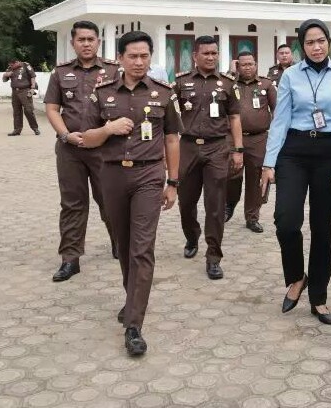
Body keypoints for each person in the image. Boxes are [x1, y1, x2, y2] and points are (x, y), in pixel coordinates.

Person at [81, 31, 181, 356]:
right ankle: (132, 298)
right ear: (121, 58)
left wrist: (173, 182)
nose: (139, 62)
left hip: (149, 175)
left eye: (144, 56)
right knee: (124, 246)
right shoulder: (103, 94)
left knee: (142, 248)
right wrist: (108, 129)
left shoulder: (163, 93)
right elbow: (86, 138)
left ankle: (134, 324)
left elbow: (172, 139)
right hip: (112, 175)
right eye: (133, 56)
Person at [260, 19, 331, 326]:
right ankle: (296, 276)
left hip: (329, 153)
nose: (317, 47)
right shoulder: (290, 75)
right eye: (310, 42)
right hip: (293, 151)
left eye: (321, 41)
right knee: (286, 220)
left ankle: (318, 297)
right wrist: (268, 163)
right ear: (301, 46)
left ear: (329, 42)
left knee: (322, 227)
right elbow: (280, 120)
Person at [43, 20, 122, 282]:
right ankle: (70, 258)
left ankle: (119, 242)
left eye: (91, 39)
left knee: (109, 200)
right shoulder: (60, 73)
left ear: (98, 42)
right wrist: (65, 134)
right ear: (73, 43)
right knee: (72, 204)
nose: (86, 44)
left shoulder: (114, 71)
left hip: (105, 149)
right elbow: (52, 108)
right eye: (81, 40)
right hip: (71, 149)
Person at [173, 36, 244, 280]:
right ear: (195, 56)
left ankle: (213, 257)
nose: (211, 57)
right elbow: (171, 118)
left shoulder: (228, 84)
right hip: (188, 147)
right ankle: (192, 236)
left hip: (217, 148)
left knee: (215, 206)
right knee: (186, 202)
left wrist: (238, 150)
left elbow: (234, 118)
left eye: (214, 53)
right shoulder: (180, 82)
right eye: (206, 53)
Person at [225, 51, 277, 232]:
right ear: (237, 66)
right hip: (232, 138)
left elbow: (277, 110)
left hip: (258, 139)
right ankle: (229, 203)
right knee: (231, 173)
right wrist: (230, 73)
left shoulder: (266, 84)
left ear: (256, 65)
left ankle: (252, 217)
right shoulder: (229, 83)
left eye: (251, 64)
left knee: (256, 179)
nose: (247, 68)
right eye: (243, 65)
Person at [3, 59, 40, 136]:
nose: (11, 66)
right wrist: (5, 75)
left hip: (25, 91)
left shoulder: (26, 65)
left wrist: (33, 88)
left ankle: (35, 128)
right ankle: (17, 130)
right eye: (10, 65)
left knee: (28, 110)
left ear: (17, 62)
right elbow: (4, 80)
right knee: (16, 111)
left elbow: (33, 76)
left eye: (12, 65)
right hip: (15, 92)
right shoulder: (10, 68)